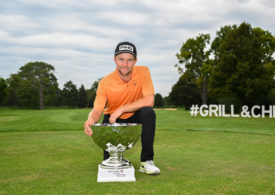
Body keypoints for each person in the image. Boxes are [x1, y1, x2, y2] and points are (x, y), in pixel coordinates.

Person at [84, 41, 160, 175]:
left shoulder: (143, 72)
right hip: (112, 119)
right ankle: (117, 158)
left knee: (148, 113)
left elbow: (150, 100)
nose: (125, 64)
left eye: (129, 60)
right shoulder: (105, 82)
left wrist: (122, 108)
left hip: (134, 115)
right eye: (121, 59)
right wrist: (90, 119)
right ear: (115, 60)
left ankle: (146, 161)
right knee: (110, 163)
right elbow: (97, 109)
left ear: (135, 61)